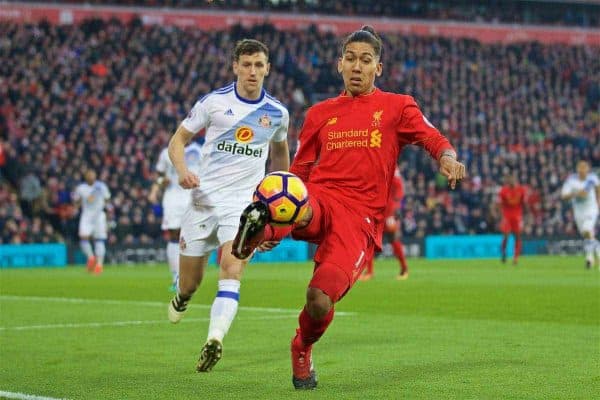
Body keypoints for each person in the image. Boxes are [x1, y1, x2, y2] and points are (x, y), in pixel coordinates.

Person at [231, 26, 466, 389]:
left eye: (366, 60)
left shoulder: (397, 106)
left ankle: (302, 346)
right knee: (289, 196)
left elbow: (431, 136)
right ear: (340, 64)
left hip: (360, 218)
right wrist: (284, 209)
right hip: (321, 198)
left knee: (319, 300)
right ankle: (260, 229)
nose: (357, 67)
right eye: (351, 59)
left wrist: (447, 157)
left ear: (379, 69)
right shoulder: (320, 113)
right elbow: (300, 173)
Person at [166, 39, 290, 372]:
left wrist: (277, 207)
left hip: (244, 207)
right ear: (234, 66)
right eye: (246, 64)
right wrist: (182, 171)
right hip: (203, 202)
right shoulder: (213, 104)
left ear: (268, 68)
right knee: (190, 283)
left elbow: (279, 156)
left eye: (259, 65)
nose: (253, 71)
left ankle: (215, 339)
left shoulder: (278, 114)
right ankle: (182, 295)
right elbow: (177, 140)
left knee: (232, 268)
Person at [149, 141, 203, 291]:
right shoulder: (167, 152)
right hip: (172, 198)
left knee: (191, 237)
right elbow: (159, 176)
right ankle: (176, 277)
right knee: (174, 235)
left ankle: (188, 275)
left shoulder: (199, 151)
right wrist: (160, 184)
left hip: (193, 197)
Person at [359, 166, 409, 280]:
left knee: (393, 238)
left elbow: (399, 187)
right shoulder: (376, 162)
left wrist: (396, 206)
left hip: (388, 210)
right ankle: (370, 272)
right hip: (376, 209)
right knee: (370, 239)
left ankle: (404, 269)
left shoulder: (391, 165)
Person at [560, 160, 600, 269]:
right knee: (587, 234)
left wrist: (598, 204)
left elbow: (598, 189)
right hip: (578, 211)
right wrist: (575, 193)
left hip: (591, 209)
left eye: (584, 168)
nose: (582, 171)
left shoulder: (593, 178)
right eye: (580, 168)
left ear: (588, 169)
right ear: (577, 170)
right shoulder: (571, 180)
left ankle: (589, 258)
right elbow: (563, 196)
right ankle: (597, 250)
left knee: (587, 230)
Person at [73, 169, 111, 274]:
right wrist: (75, 207)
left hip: (99, 216)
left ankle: (99, 265)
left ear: (95, 176)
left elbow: (108, 200)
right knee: (83, 237)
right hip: (86, 215)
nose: (91, 176)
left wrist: (109, 213)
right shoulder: (81, 188)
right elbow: (77, 201)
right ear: (85, 176)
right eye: (89, 174)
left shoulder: (101, 186)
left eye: (92, 174)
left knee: (99, 240)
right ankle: (91, 258)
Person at [498, 173, 526, 265]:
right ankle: (503, 252)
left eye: (513, 179)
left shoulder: (521, 190)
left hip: (517, 215)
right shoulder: (503, 191)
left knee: (517, 236)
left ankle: (516, 258)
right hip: (507, 215)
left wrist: (525, 216)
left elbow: (523, 203)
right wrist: (500, 216)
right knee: (506, 235)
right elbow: (500, 204)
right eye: (510, 179)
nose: (512, 181)